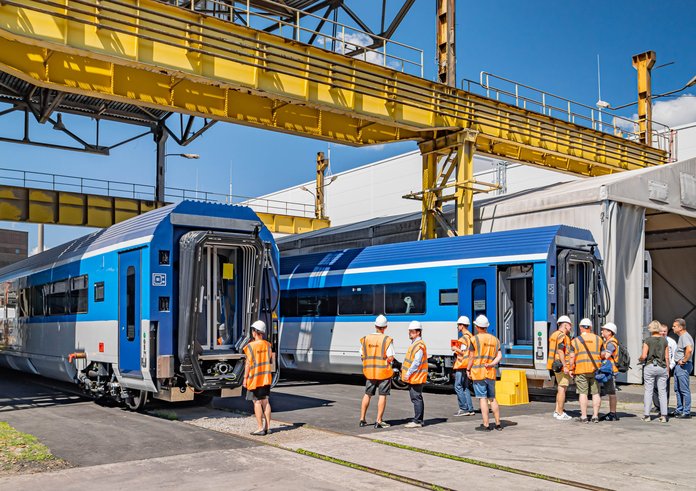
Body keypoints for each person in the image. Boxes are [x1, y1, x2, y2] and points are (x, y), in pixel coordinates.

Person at [467, 315, 503, 431]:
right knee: (492, 398)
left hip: (478, 373)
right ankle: (498, 423)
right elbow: (499, 356)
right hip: (490, 372)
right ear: (486, 327)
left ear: (477, 327)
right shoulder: (495, 339)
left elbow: (471, 358)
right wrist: (492, 364)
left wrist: (468, 369)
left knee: (482, 398)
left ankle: (486, 424)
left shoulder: (474, 339)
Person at [359, 314, 395, 428]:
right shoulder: (387, 339)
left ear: (375, 325)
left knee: (367, 394)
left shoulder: (366, 339)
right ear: (385, 327)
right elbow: (390, 357)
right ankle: (378, 421)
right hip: (383, 373)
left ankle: (362, 419)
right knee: (382, 396)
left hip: (370, 373)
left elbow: (361, 354)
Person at [243, 320, 275, 436]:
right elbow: (270, 359)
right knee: (265, 401)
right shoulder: (268, 345)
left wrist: (245, 378)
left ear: (254, 332)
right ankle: (268, 427)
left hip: (255, 379)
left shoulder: (250, 347)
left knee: (256, 402)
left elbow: (248, 364)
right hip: (266, 378)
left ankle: (260, 428)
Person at [569, 318, 603, 423]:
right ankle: (595, 416)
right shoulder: (599, 339)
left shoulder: (575, 341)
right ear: (591, 327)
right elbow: (603, 354)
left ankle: (584, 417)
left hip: (581, 370)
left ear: (580, 328)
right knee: (596, 393)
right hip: (595, 370)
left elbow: (571, 357)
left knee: (583, 393)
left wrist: (571, 369)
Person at [639, 320, 669, 423]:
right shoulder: (664, 341)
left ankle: (647, 415)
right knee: (662, 391)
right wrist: (668, 370)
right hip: (662, 367)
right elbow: (666, 357)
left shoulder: (647, 340)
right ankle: (664, 415)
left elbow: (643, 356)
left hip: (650, 366)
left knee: (648, 391)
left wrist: (640, 359)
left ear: (651, 329)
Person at [402, 320, 428, 428]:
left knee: (416, 398)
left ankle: (418, 421)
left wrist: (408, 372)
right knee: (416, 398)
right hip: (415, 376)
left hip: (416, 376)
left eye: (412, 331)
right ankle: (417, 420)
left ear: (418, 332)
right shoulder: (416, 344)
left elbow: (417, 361)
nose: (410, 333)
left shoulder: (419, 345)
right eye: (409, 331)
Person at [547, 315, 573, 420]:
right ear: (565, 325)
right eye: (570, 326)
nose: (571, 328)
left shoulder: (554, 334)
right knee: (563, 388)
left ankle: (557, 410)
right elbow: (561, 350)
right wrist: (565, 366)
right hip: (561, 365)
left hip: (555, 364)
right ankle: (560, 413)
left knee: (560, 388)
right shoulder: (562, 336)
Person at [452, 316, 475, 417]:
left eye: (458, 325)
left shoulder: (463, 339)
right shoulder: (471, 336)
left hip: (461, 364)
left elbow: (462, 352)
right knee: (465, 387)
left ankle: (463, 408)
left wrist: (454, 349)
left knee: (458, 386)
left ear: (462, 326)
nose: (458, 327)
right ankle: (470, 409)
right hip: (467, 365)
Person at [671, 318, 693, 419]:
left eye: (674, 326)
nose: (673, 328)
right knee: (678, 389)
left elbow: (689, 350)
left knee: (684, 389)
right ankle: (679, 409)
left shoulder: (685, 337)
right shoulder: (682, 337)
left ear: (680, 327)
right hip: (679, 366)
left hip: (683, 366)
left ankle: (686, 412)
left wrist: (683, 361)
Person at [653, 323, 677, 410]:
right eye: (661, 331)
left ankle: (664, 406)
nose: (663, 333)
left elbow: (675, 355)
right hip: (656, 366)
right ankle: (657, 405)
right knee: (655, 387)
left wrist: (670, 367)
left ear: (667, 332)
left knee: (665, 387)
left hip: (666, 367)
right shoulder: (654, 341)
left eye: (665, 331)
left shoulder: (671, 342)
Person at [599, 322, 620, 421]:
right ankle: (612, 413)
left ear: (610, 332)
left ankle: (612, 413)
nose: (602, 331)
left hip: (610, 371)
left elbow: (607, 355)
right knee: (611, 392)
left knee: (611, 393)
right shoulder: (609, 342)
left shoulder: (611, 343)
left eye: (604, 330)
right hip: (609, 370)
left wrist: (597, 354)